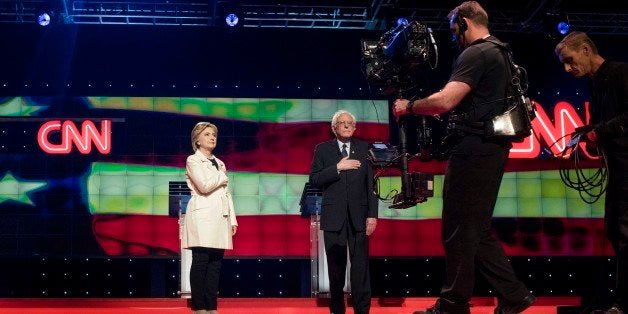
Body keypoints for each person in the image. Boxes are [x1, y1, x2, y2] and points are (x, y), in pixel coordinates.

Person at [392, 2, 535, 313]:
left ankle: (454, 303)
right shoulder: (501, 51)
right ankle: (513, 295)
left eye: (454, 28)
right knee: (475, 229)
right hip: (490, 148)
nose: (453, 36)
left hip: (474, 148)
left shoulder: (476, 52)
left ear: (465, 23)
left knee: (458, 227)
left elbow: (445, 101)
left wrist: (409, 105)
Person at [555, 31, 628, 314]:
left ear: (586, 50)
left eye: (570, 60)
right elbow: (604, 123)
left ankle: (623, 303)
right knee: (615, 230)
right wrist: (586, 133)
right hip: (618, 169)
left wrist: (600, 131)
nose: (567, 68)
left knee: (623, 233)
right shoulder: (596, 83)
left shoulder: (621, 72)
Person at [309, 110, 378, 314]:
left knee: (360, 269)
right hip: (334, 218)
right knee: (336, 269)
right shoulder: (323, 150)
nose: (347, 126)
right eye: (342, 123)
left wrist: (372, 215)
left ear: (355, 128)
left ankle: (362, 310)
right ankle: (337, 309)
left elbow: (371, 187)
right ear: (334, 128)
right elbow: (314, 179)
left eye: (350, 123)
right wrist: (337, 167)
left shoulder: (364, 149)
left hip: (359, 218)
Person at [182, 122, 238, 314]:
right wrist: (222, 176)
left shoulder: (219, 162)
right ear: (197, 140)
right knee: (201, 261)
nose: (212, 137)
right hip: (202, 215)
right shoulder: (193, 160)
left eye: (213, 134)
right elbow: (204, 186)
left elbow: (226, 194)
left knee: (215, 263)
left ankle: (211, 306)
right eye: (207, 134)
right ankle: (199, 307)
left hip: (220, 216)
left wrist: (232, 219)